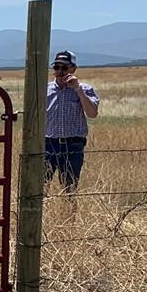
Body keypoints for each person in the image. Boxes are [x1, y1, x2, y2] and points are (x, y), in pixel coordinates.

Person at [44, 50, 100, 191]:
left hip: (73, 145)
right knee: (40, 187)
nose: (60, 71)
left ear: (73, 69)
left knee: (69, 188)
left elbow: (92, 113)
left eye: (64, 67)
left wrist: (77, 89)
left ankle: (67, 213)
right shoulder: (45, 90)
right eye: (57, 67)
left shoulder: (85, 89)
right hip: (48, 144)